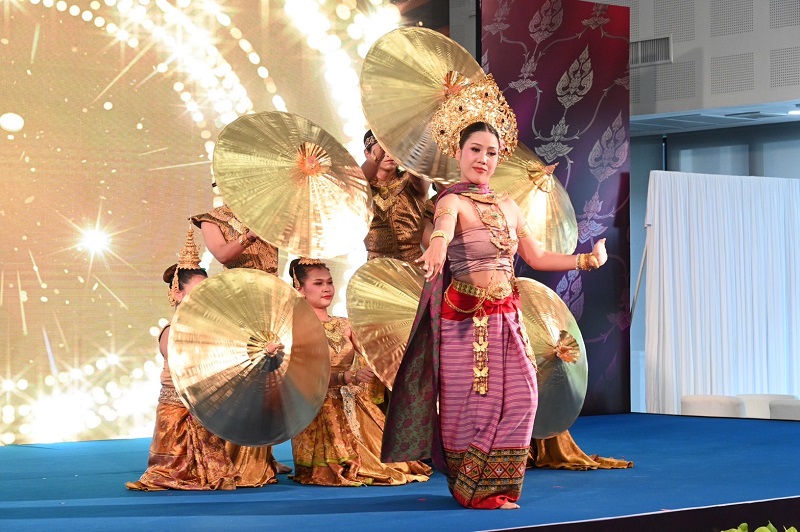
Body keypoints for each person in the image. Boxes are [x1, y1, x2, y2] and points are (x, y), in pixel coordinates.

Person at [381, 76, 607, 510]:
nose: (483, 159)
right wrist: (436, 247)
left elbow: (536, 256)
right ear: (458, 152)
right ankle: (473, 489)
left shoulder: (508, 205)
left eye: (491, 152)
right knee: (474, 408)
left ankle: (500, 485)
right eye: (475, 150)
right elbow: (442, 230)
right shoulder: (452, 202)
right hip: (466, 322)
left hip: (508, 317)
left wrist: (585, 260)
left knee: (524, 397)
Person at [288, 257, 432, 486]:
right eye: (318, 283)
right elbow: (303, 376)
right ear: (300, 289)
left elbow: (373, 353)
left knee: (396, 463)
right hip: (317, 404)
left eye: (329, 282)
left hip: (351, 398)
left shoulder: (345, 324)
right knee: (351, 465)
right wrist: (345, 377)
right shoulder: (296, 328)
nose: (327, 288)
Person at [127, 228, 241, 491]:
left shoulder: (212, 331)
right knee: (175, 475)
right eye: (197, 292)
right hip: (177, 412)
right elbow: (191, 368)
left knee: (221, 480)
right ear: (177, 294)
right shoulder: (171, 332)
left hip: (204, 411)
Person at [190, 204, 287, 484]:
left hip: (271, 298)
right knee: (241, 377)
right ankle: (230, 457)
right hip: (240, 299)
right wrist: (251, 235)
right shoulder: (212, 218)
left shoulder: (268, 210)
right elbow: (222, 254)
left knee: (269, 376)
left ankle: (262, 457)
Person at [361, 130, 430, 263]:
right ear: (367, 154)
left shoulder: (410, 180)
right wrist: (375, 158)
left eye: (393, 148)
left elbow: (421, 181)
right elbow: (356, 183)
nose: (388, 154)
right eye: (383, 148)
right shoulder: (363, 186)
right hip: (376, 266)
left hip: (414, 264)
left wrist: (408, 153)